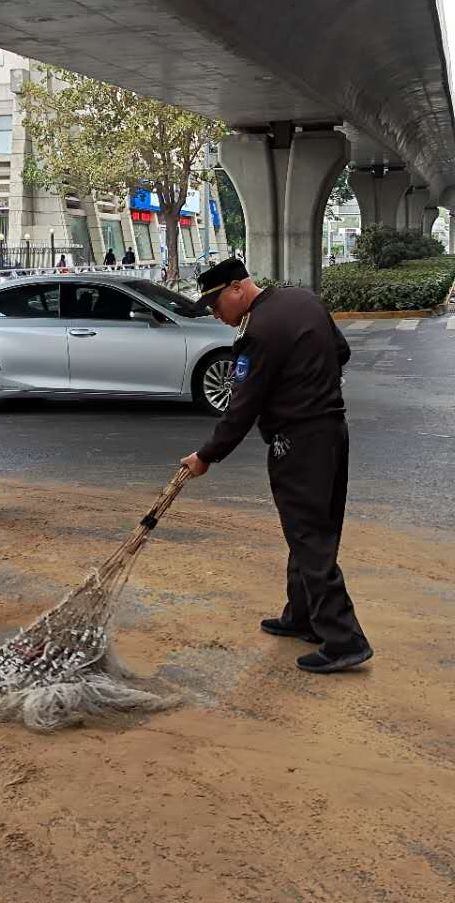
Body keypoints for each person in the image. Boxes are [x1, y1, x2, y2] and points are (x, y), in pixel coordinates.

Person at [179, 257, 372, 674]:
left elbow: (242, 408)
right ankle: (302, 615)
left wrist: (206, 455)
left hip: (298, 442)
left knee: (308, 536)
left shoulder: (258, 332)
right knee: (311, 529)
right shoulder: (302, 299)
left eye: (216, 306)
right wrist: (311, 383)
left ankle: (344, 640)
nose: (216, 315)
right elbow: (341, 351)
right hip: (331, 432)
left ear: (237, 288)